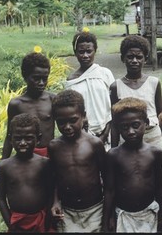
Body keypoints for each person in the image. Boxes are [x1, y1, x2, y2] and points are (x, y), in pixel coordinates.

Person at [103, 97, 162, 233]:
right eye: (125, 127)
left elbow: (159, 189)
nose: (131, 131)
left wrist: (161, 220)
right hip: (124, 216)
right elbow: (109, 191)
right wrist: (108, 220)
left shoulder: (154, 153)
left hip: (149, 214)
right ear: (118, 128)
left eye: (135, 125)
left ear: (146, 123)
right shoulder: (113, 155)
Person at [48, 89, 106, 232]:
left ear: (83, 116)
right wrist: (55, 201)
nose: (67, 127)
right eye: (61, 122)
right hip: (67, 212)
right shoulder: (54, 146)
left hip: (95, 210)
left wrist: (108, 214)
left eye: (73, 120)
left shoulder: (94, 144)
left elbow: (108, 179)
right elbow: (54, 177)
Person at [0, 113, 55, 232]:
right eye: (17, 138)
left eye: (28, 138)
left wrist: (47, 222)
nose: (22, 143)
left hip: (41, 221)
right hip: (17, 222)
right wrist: (11, 225)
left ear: (38, 139)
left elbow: (51, 194)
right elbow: (0, 197)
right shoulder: (4, 166)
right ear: (10, 139)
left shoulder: (45, 164)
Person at [110, 34, 162, 150]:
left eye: (139, 57)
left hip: (153, 138)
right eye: (130, 57)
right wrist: (113, 151)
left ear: (145, 59)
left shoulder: (154, 83)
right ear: (122, 58)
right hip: (127, 139)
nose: (134, 61)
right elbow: (115, 123)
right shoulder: (116, 87)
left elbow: (161, 115)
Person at [65, 27, 115, 147]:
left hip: (106, 133)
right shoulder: (71, 81)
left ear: (95, 51)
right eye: (81, 52)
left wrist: (104, 134)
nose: (85, 55)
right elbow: (72, 111)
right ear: (75, 52)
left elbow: (114, 106)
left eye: (89, 51)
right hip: (81, 136)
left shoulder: (105, 74)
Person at [2, 49, 56, 159]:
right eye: (36, 78)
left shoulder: (52, 99)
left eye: (44, 79)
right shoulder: (16, 104)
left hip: (50, 153)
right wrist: (4, 161)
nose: (41, 83)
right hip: (26, 155)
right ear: (25, 76)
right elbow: (9, 136)